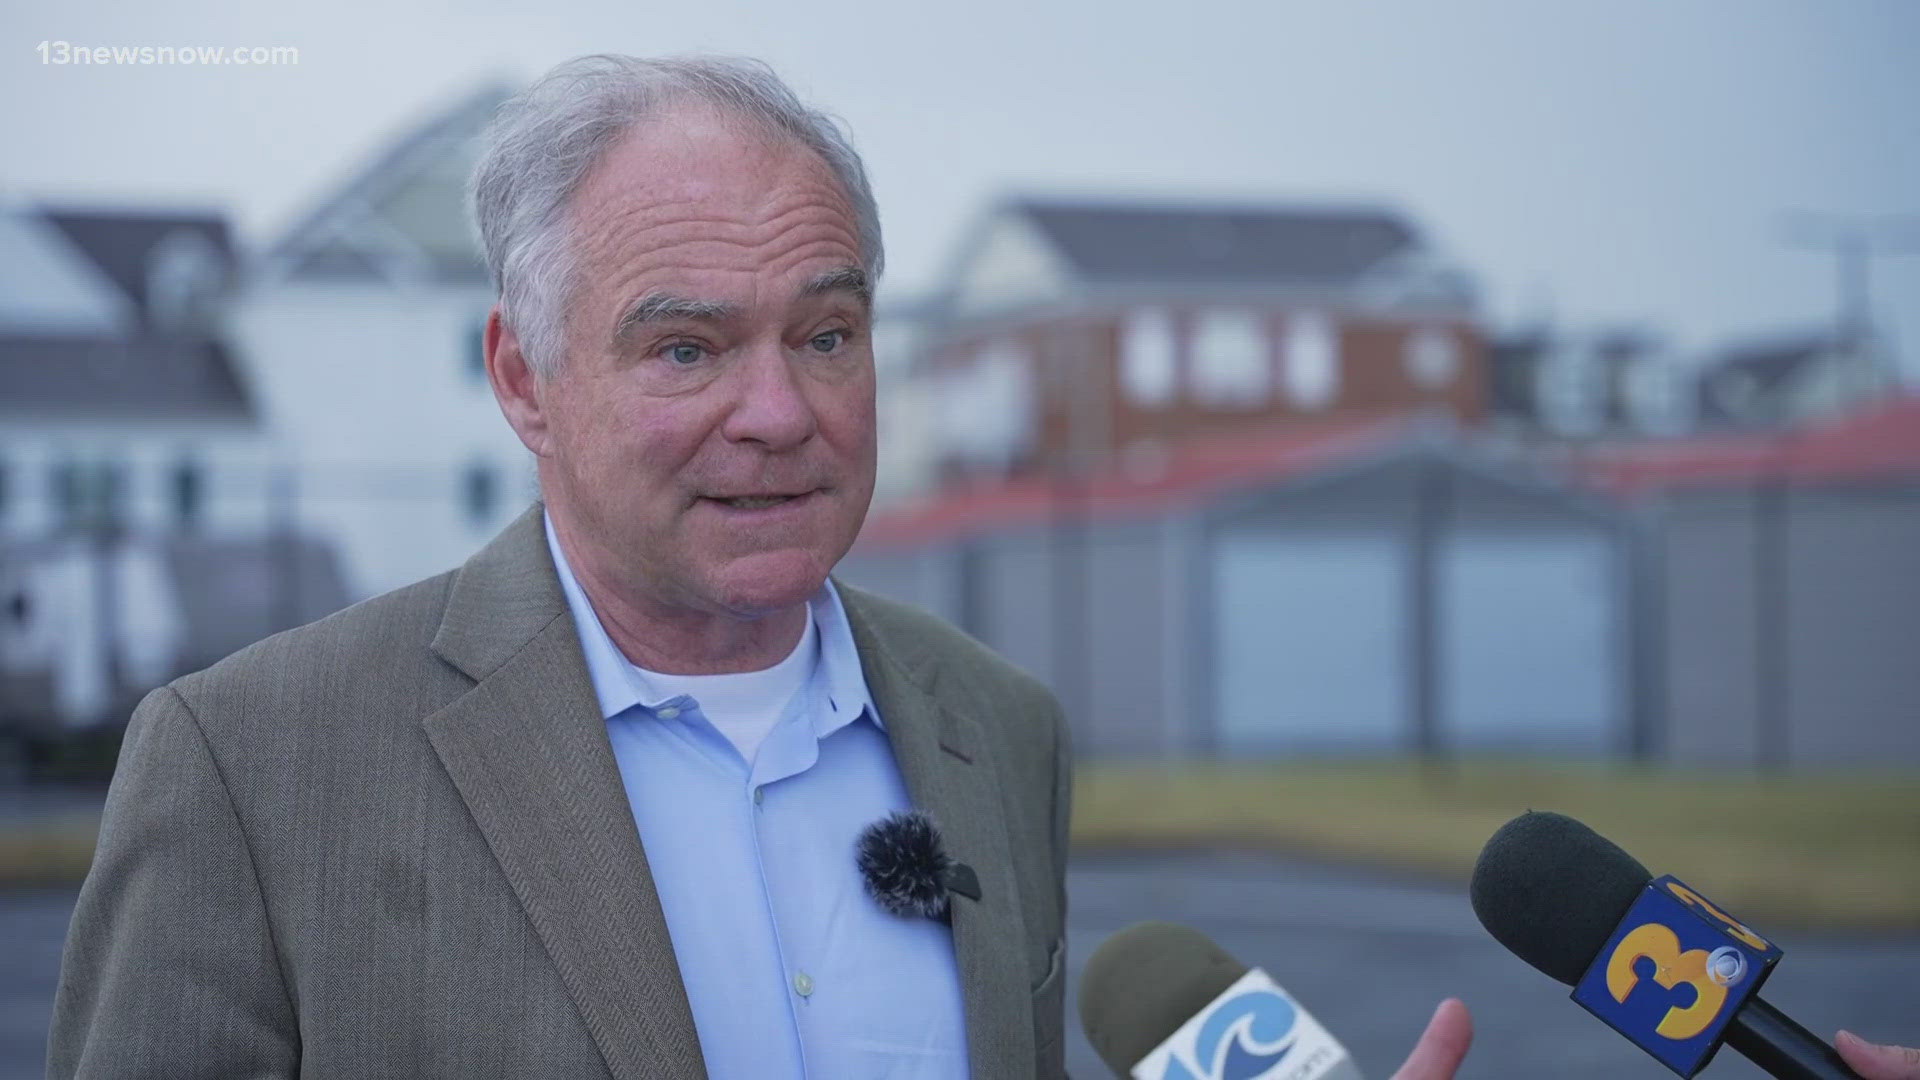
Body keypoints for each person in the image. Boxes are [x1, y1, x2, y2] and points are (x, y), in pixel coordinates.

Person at [48, 52, 1485, 1080]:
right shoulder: (251, 765)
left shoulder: (999, 730)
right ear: (525, 379)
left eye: (825, 334)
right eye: (687, 347)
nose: (783, 412)